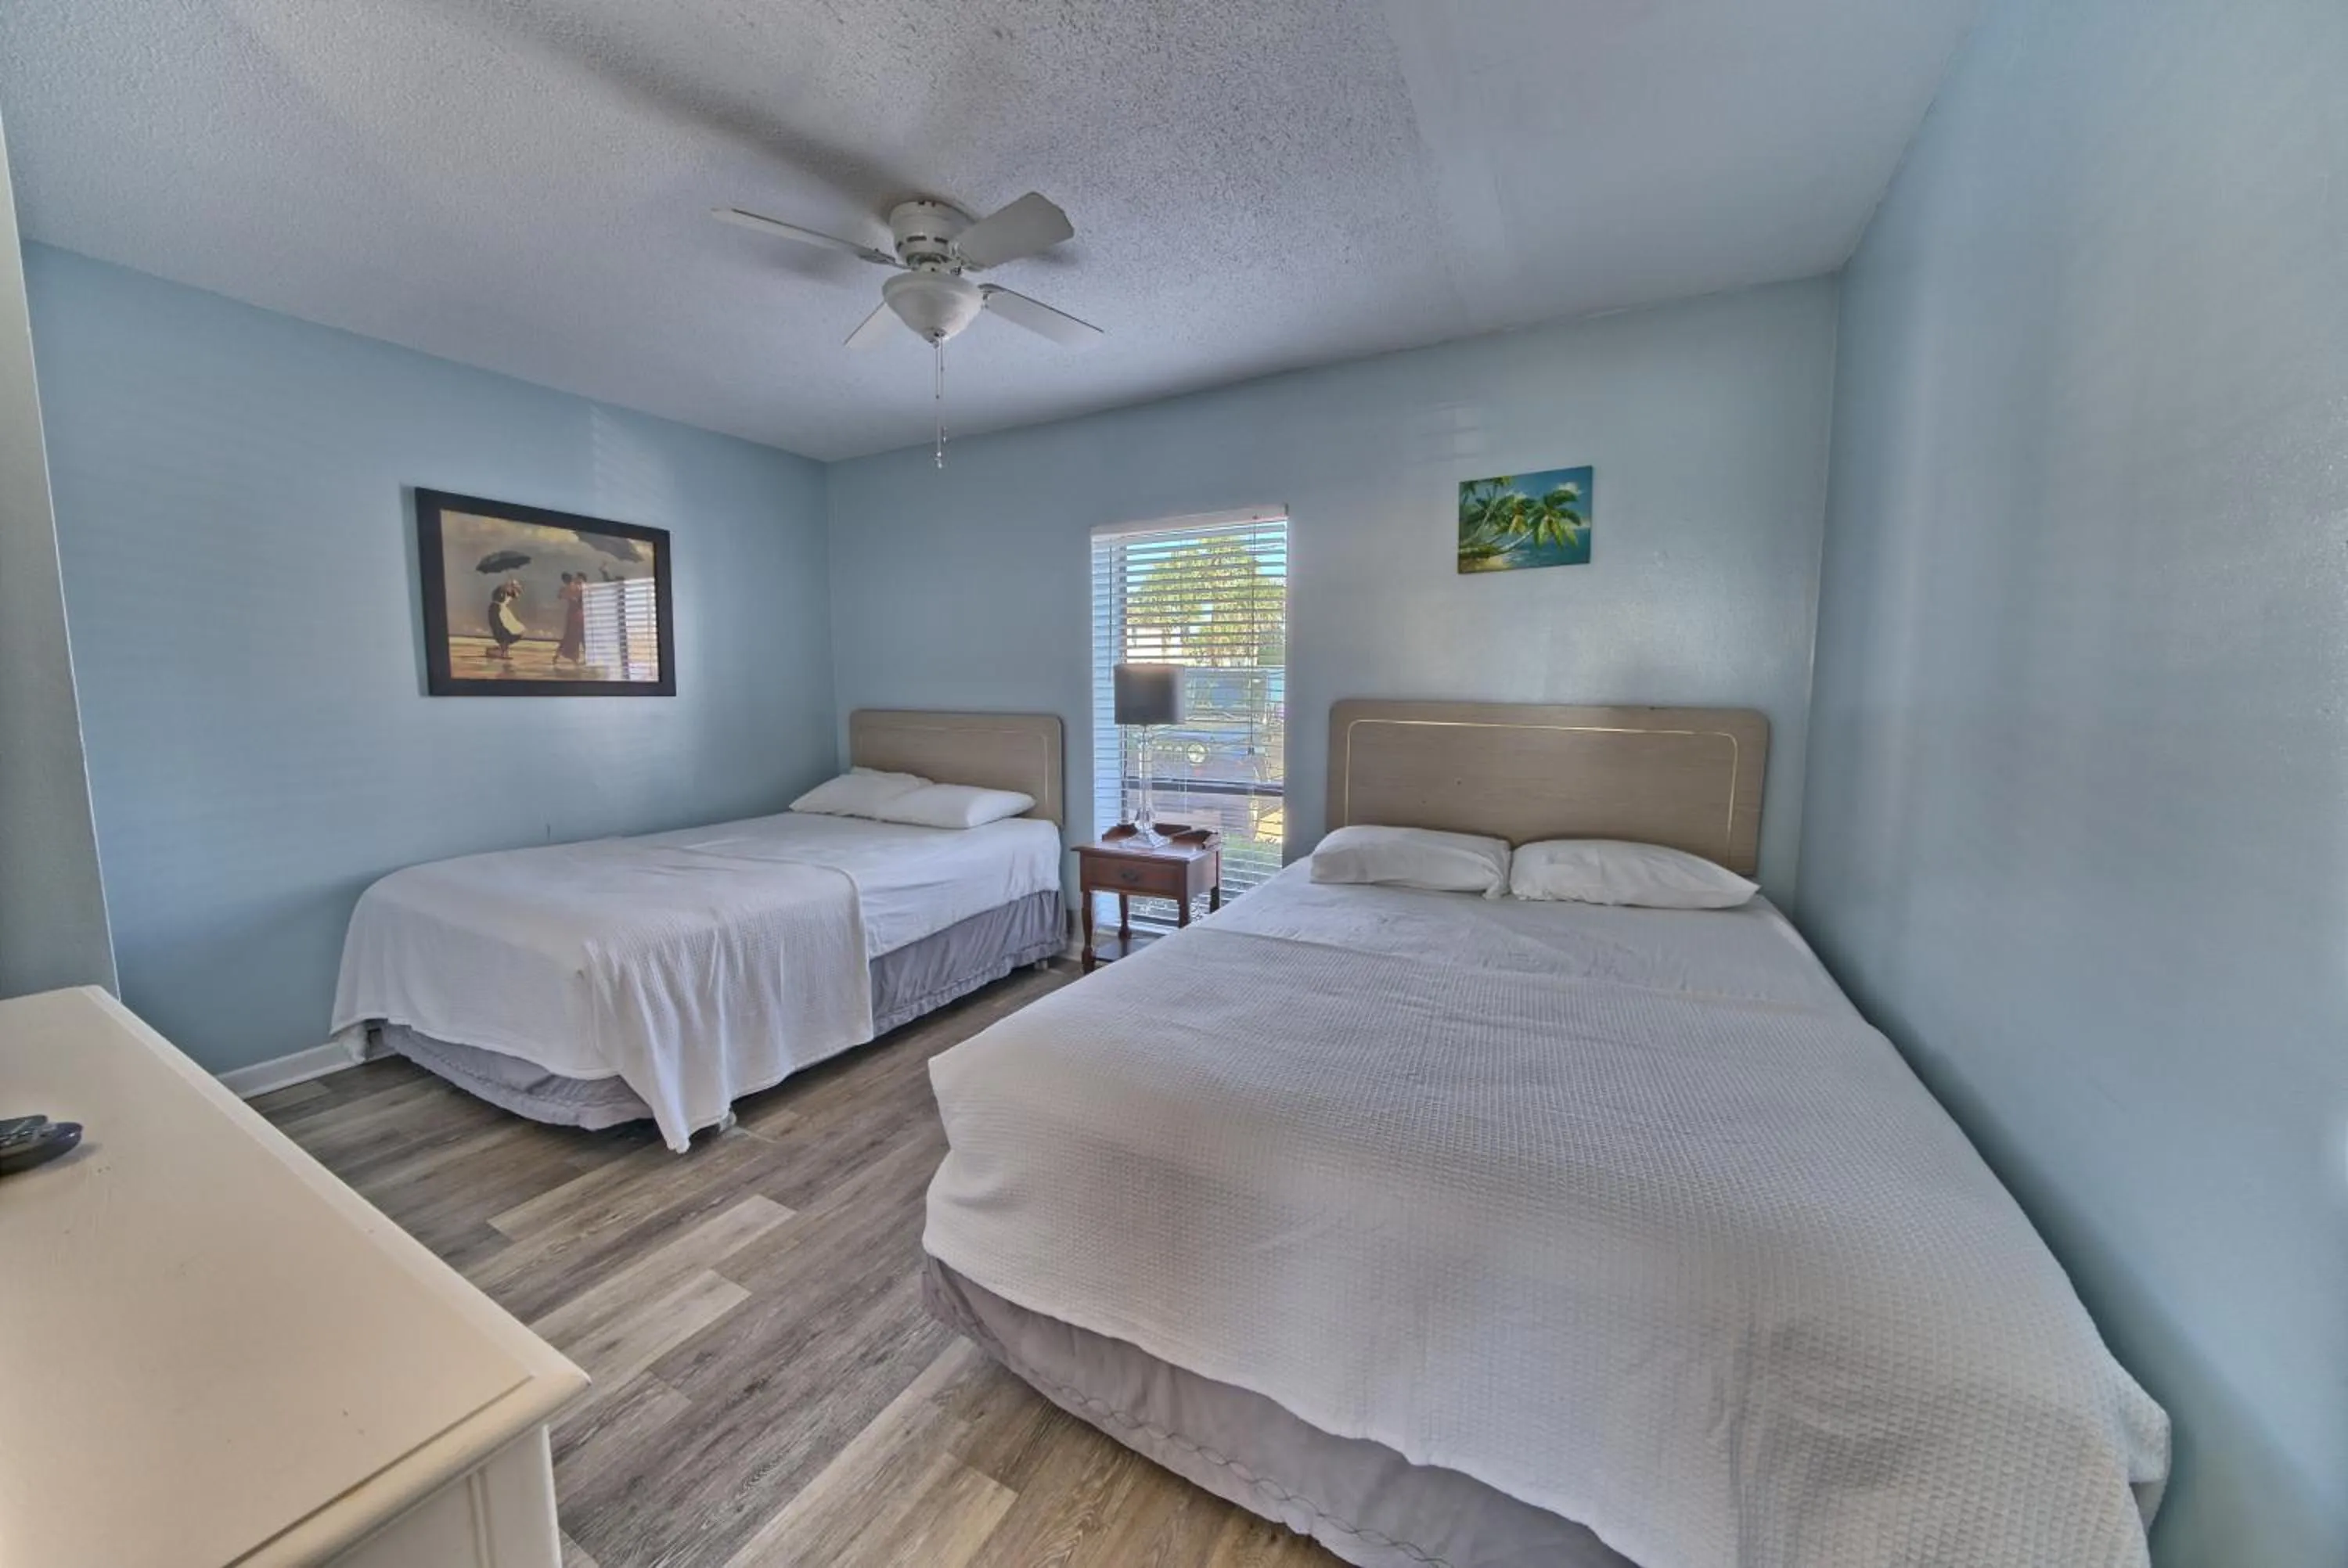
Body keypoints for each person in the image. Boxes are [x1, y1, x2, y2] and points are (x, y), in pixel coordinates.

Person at [487, 580, 524, 663]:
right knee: (504, 631)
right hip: (498, 610)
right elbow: (500, 598)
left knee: (506, 632)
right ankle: (502, 651)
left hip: (500, 610)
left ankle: (501, 651)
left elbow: (514, 595)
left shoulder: (506, 592)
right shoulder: (502, 592)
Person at [556, 572, 587, 667]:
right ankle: (577, 658)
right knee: (580, 637)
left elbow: (560, 596)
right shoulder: (579, 587)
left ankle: (559, 656)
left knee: (570, 636)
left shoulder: (567, 588)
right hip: (579, 614)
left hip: (573, 614)